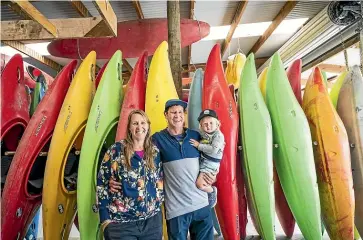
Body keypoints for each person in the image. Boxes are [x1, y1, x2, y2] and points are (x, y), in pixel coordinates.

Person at [110, 99, 216, 240]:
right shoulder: (156, 140)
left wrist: (212, 177)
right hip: (177, 210)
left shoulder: (196, 136)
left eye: (180, 112)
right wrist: (115, 178)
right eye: (173, 112)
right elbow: (138, 160)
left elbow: (211, 159)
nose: (177, 115)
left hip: (202, 205)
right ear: (166, 115)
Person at [97, 109, 164, 240]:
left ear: (148, 125)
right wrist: (105, 220)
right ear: (129, 127)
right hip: (122, 224)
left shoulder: (154, 152)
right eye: (135, 123)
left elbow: (160, 182)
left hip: (151, 223)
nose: (140, 127)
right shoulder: (116, 151)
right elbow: (102, 183)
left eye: (143, 123)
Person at [189, 109, 225, 208]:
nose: (208, 126)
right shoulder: (205, 134)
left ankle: (212, 191)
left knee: (200, 184)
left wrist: (198, 146)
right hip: (204, 160)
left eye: (211, 123)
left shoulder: (218, 136)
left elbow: (213, 149)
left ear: (217, 124)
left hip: (210, 163)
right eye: (205, 124)